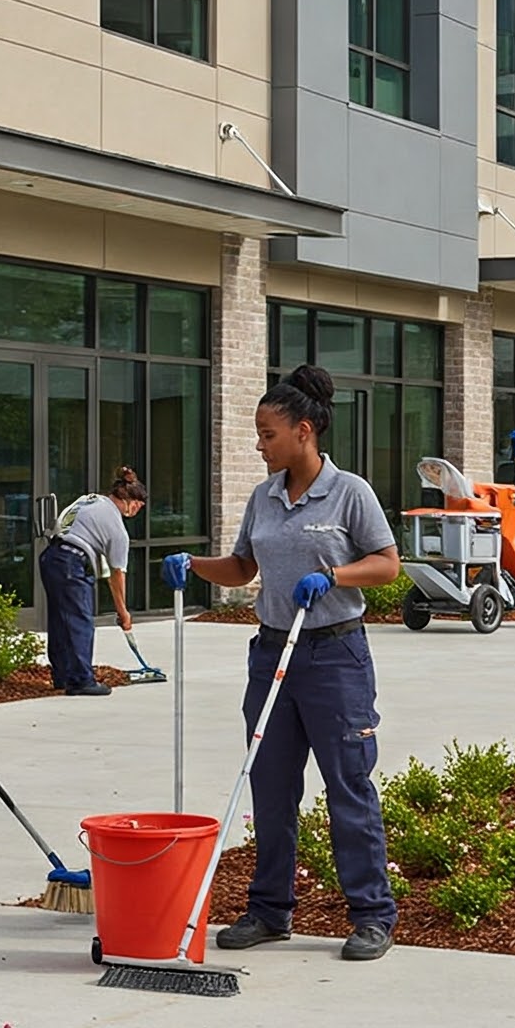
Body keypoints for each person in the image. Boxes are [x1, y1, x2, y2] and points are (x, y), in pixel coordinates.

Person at [162, 364, 402, 963]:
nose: (259, 444)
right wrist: (193, 565)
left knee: (348, 786)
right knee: (268, 787)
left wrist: (335, 576)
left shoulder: (350, 492)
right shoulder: (262, 498)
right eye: (257, 434)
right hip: (272, 652)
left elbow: (388, 564)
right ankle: (270, 911)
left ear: (303, 431)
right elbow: (243, 568)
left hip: (334, 655)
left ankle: (372, 915)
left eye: (267, 434)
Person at [38, 467, 146, 696]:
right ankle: (80, 681)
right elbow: (117, 577)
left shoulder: (91, 500)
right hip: (71, 563)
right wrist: (123, 613)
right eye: (139, 506)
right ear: (132, 502)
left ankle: (63, 676)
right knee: (79, 622)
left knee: (60, 620)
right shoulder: (118, 530)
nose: (138, 511)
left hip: (52, 555)